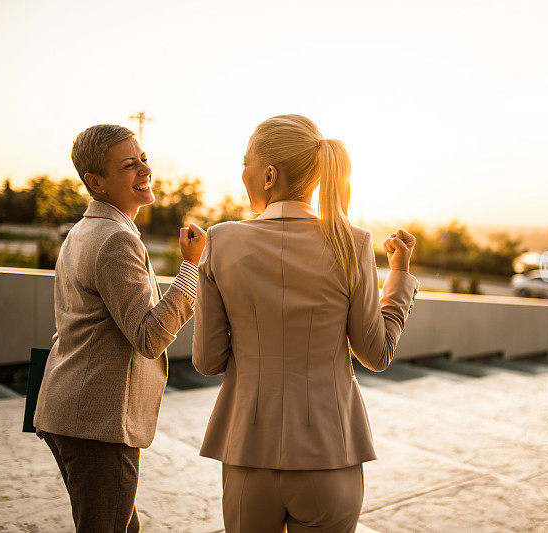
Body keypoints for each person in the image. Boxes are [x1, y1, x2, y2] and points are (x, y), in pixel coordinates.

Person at [192, 114, 420, 532]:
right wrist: (399, 277)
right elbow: (376, 353)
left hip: (248, 455)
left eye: (246, 162)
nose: (242, 173)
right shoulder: (353, 242)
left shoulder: (221, 242)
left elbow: (208, 361)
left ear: (268, 175)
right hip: (331, 456)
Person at [33, 124, 206, 532]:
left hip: (70, 412)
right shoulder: (115, 239)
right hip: (98, 423)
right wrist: (191, 268)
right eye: (129, 165)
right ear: (97, 182)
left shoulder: (84, 231)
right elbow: (148, 337)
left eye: (143, 158)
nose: (144, 170)